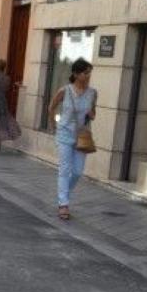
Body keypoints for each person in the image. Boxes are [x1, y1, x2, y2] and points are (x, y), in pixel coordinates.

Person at [47, 58, 97, 220]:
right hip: (64, 134)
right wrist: (53, 126)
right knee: (65, 170)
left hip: (81, 137)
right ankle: (63, 204)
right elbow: (51, 107)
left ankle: (63, 196)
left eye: (89, 73)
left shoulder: (92, 93)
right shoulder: (65, 91)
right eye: (85, 73)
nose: (88, 76)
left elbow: (93, 114)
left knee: (77, 172)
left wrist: (91, 114)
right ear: (76, 74)